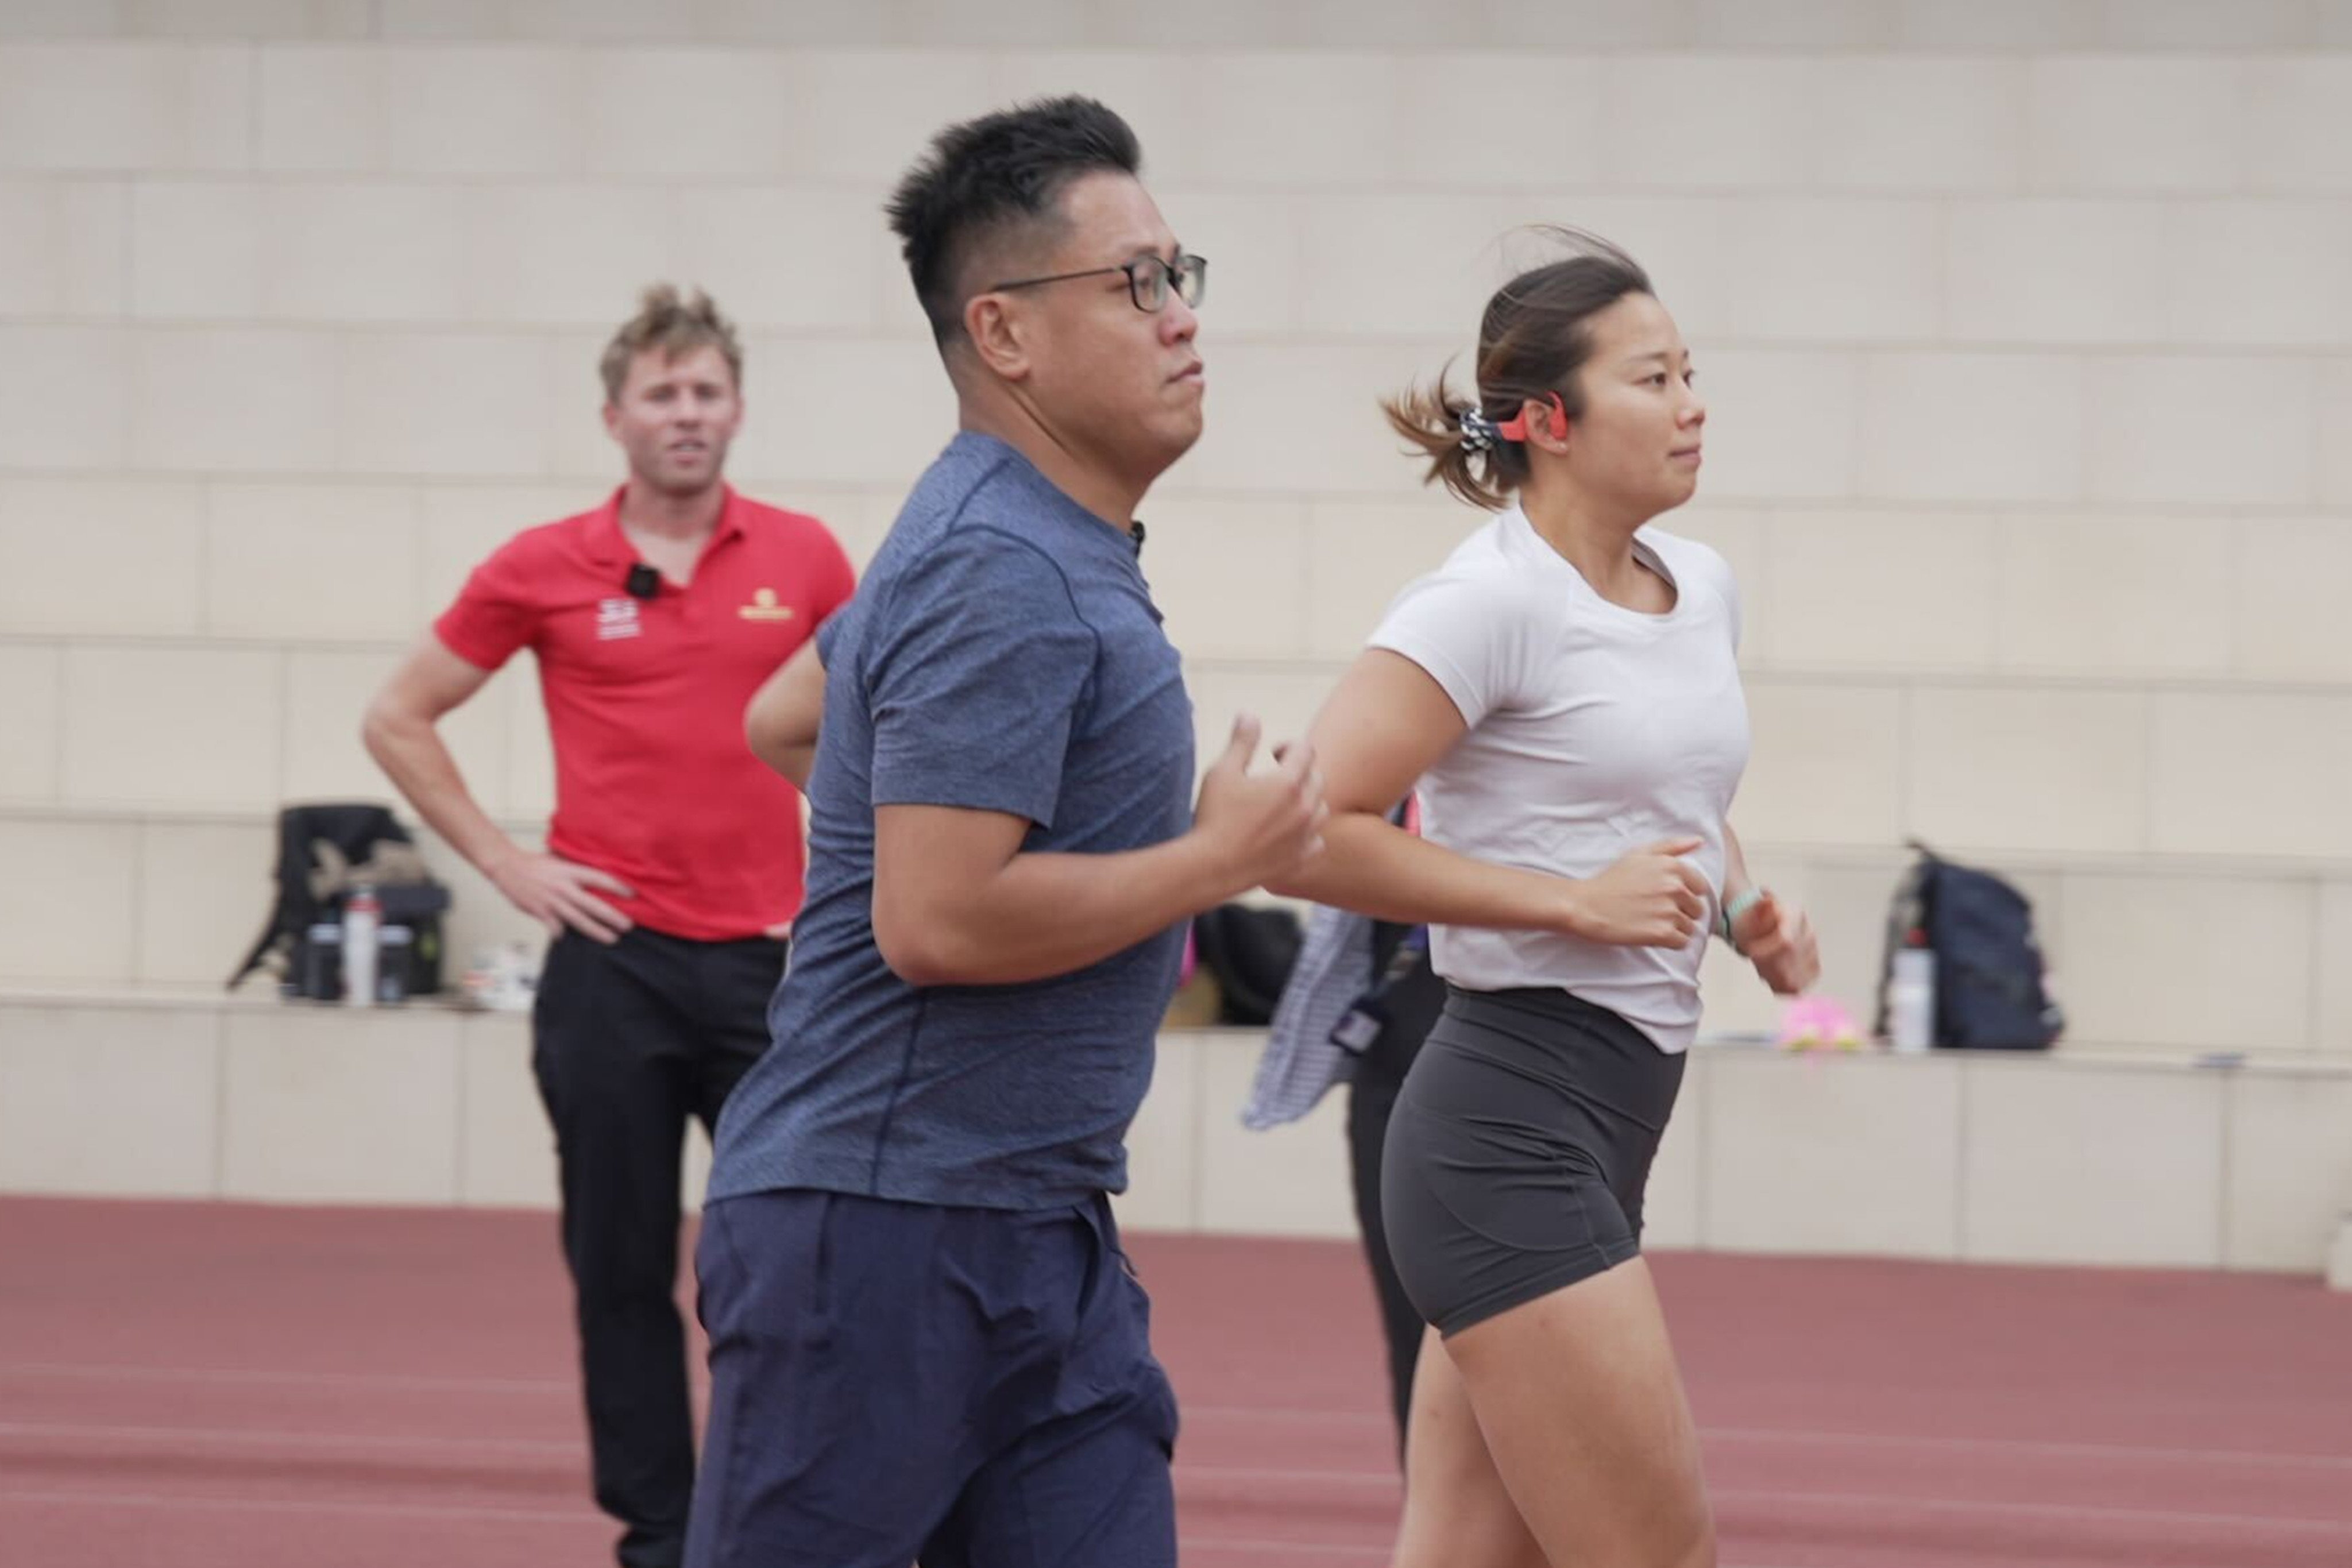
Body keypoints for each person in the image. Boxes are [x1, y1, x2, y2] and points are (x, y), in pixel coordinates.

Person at [683, 96, 1325, 1568]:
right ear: (1006, 333)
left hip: (1033, 1230)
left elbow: (792, 718)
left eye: (1182, 275)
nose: (1180, 319)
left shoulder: (1015, 541)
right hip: (881, 1230)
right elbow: (936, 923)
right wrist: (1215, 862)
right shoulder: (997, 564)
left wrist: (878, 799)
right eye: (1135, 283)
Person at [1272, 234, 1820, 1568]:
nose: (1691, 402)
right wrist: (1564, 904)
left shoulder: (1699, 588)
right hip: (1500, 1129)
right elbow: (1293, 836)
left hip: (1603, 1123)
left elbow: (1667, 789)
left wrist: (1742, 903)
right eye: (1653, 378)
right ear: (1544, 423)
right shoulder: (1482, 604)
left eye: (1691, 371)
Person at [361, 286, 853, 1568]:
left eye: (704, 393)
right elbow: (398, 716)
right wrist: (506, 866)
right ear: (614, 416)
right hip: (613, 973)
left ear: (735, 409)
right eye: (661, 394)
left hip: (770, 970)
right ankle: (661, 1535)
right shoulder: (542, 565)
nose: (685, 415)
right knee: (621, 1268)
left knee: (787, 1269)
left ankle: (777, 1517)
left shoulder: (804, 559)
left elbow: (866, 731)